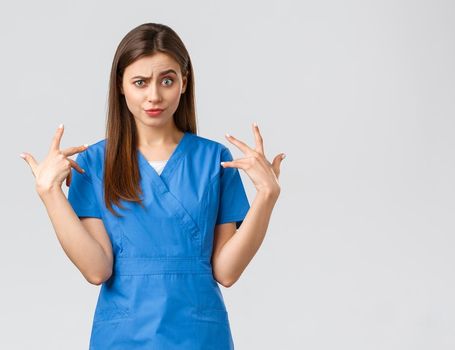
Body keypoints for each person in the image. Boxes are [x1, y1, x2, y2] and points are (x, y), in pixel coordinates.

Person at [19, 22, 285, 349]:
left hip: (199, 334)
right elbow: (96, 269)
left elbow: (227, 272)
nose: (154, 96)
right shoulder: (94, 163)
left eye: (167, 81)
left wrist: (267, 197)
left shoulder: (214, 160)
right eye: (140, 82)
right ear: (121, 85)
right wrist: (50, 194)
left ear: (184, 83)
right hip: (123, 334)